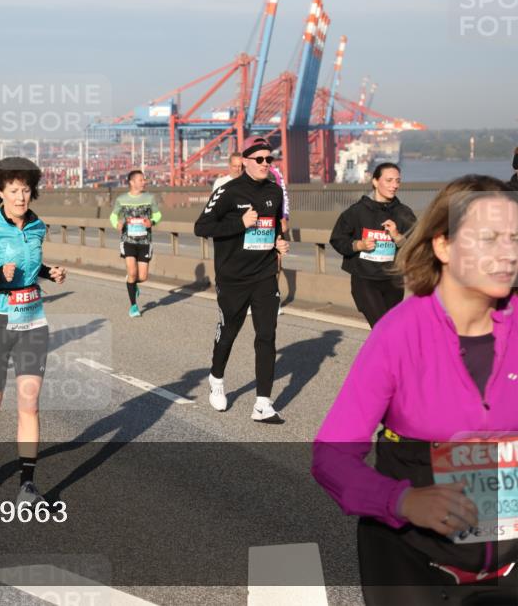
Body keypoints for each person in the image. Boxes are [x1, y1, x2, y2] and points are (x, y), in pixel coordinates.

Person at [312, 175, 518, 605]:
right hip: (409, 552)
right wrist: (401, 500)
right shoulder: (398, 334)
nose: (508, 253)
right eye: (489, 239)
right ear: (443, 246)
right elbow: (331, 455)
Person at [0, 157, 67, 504]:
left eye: (26, 190)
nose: (21, 196)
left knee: (30, 404)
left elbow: (29, 265)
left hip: (32, 320)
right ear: (0, 192)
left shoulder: (37, 226)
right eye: (13, 190)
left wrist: (49, 272)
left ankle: (28, 485)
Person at [194, 136, 289, 423]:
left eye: (268, 159)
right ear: (245, 161)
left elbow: (273, 228)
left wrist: (278, 242)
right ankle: (216, 378)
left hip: (264, 275)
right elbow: (202, 227)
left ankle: (262, 404)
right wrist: (239, 223)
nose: (264, 164)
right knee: (229, 333)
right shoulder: (228, 192)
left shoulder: (275, 191)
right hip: (233, 277)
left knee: (266, 336)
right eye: (258, 159)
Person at [329, 163, 417, 327]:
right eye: (389, 180)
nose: (394, 185)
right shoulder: (357, 211)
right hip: (365, 280)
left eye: (397, 181)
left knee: (392, 328)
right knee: (382, 327)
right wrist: (359, 245)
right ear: (375, 182)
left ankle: (379, 353)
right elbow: (337, 239)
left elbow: (417, 247)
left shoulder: (404, 213)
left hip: (393, 280)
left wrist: (397, 237)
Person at [109, 170, 162, 317]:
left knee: (142, 276)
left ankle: (132, 284)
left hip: (145, 241)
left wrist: (152, 221)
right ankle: (133, 306)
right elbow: (113, 216)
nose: (144, 182)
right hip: (128, 240)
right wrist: (117, 224)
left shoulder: (150, 198)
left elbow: (158, 214)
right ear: (131, 182)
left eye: (144, 179)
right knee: (132, 272)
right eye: (140, 180)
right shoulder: (121, 199)